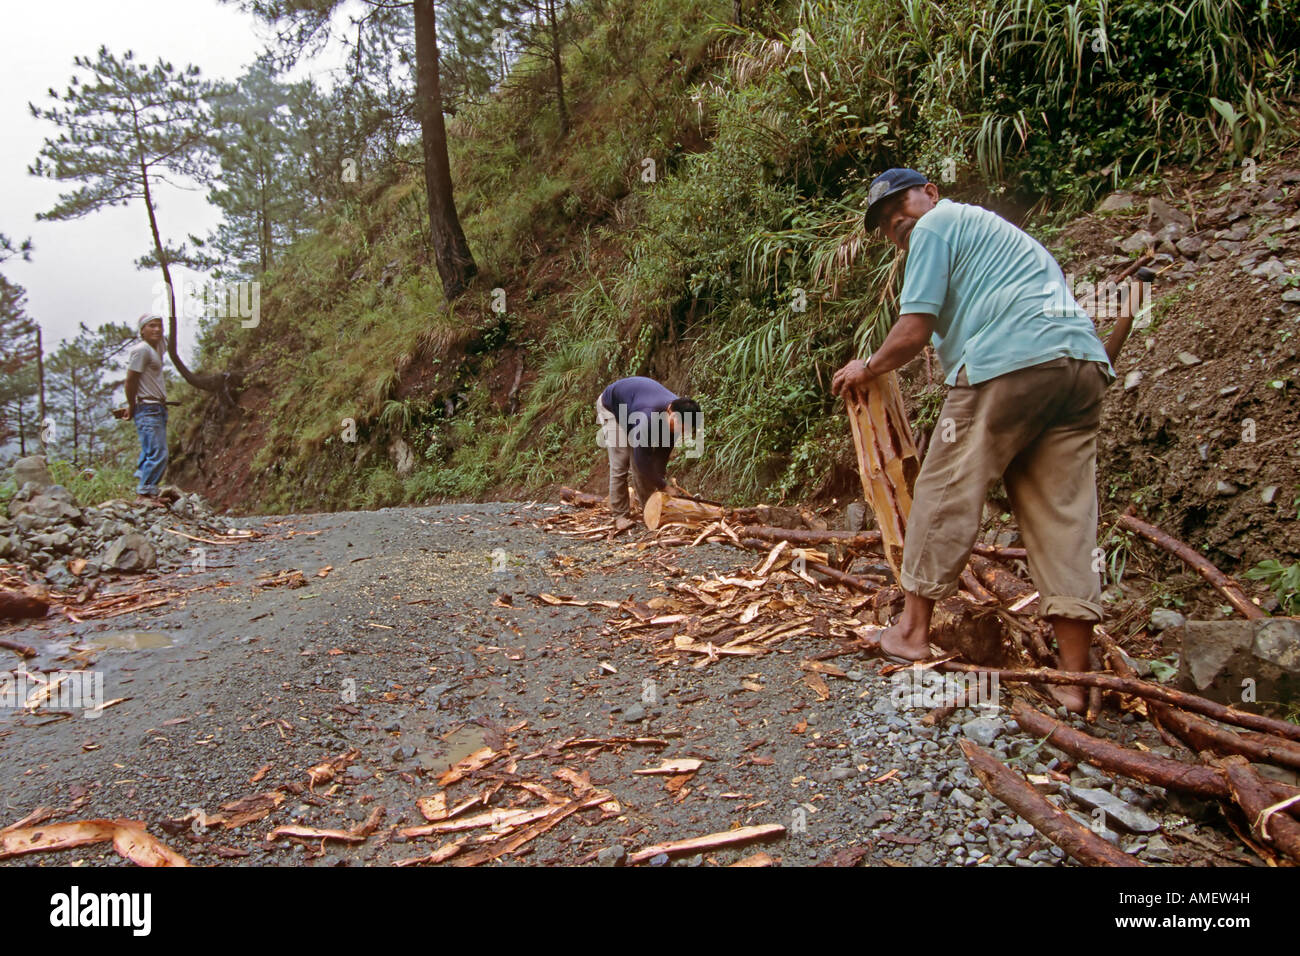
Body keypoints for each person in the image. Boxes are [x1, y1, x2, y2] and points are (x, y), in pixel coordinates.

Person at [832, 168, 1114, 712]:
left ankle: (911, 631)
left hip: (1007, 362)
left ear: (931, 193)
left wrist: (867, 366)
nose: (900, 227)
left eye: (902, 210)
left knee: (944, 487)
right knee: (1064, 513)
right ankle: (1075, 680)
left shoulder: (937, 224)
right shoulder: (1001, 236)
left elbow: (913, 330)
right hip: (1080, 366)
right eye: (891, 227)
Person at [596, 376, 701, 532]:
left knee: (644, 468)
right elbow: (642, 460)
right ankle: (620, 516)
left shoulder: (680, 419)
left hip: (634, 404)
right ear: (670, 410)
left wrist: (660, 483)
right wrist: (664, 486)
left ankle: (650, 509)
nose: (680, 429)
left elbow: (661, 455)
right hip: (613, 407)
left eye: (685, 428)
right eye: (678, 424)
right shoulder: (647, 417)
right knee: (622, 462)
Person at [121, 314, 170, 504]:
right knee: (158, 452)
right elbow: (130, 380)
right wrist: (131, 405)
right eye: (152, 326)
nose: (157, 329)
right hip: (147, 407)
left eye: (160, 326)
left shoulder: (156, 348)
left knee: (150, 450)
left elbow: (168, 339)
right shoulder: (141, 350)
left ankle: (148, 491)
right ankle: (144, 494)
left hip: (157, 407)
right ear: (142, 330)